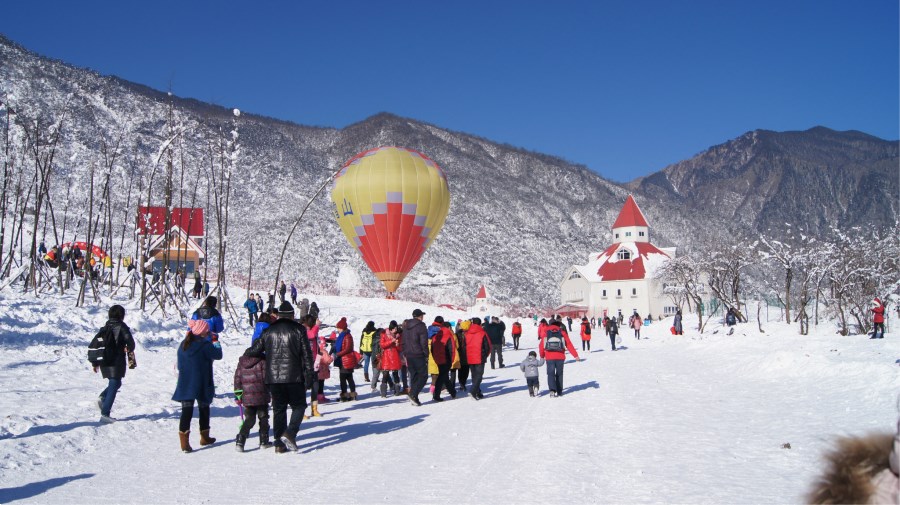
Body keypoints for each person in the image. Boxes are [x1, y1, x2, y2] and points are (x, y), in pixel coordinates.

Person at [244, 301, 315, 454]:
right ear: (292, 315)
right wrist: (309, 374)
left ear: (278, 316)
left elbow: (255, 349)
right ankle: (290, 433)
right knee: (299, 406)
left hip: (273, 377)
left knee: (279, 409)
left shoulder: (269, 331)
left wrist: (247, 354)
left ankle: (278, 444)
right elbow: (307, 355)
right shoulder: (299, 329)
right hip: (294, 376)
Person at [173, 319, 223, 453]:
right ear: (202, 332)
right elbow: (218, 355)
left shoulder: (184, 344)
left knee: (186, 412)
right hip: (201, 381)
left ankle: (184, 443)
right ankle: (204, 437)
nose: (208, 332)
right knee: (204, 408)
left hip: (185, 382)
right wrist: (215, 341)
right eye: (207, 330)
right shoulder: (205, 345)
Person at [93, 305, 136, 424]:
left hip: (104, 360)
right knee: (115, 382)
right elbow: (131, 342)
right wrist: (128, 348)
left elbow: (98, 345)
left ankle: (102, 398)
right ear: (121, 315)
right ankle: (105, 414)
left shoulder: (105, 327)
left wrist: (95, 363)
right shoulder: (122, 326)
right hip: (116, 359)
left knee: (116, 382)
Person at [234, 349, 272, 452]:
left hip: (247, 396)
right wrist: (271, 391)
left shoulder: (241, 363)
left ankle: (240, 441)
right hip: (261, 394)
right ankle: (264, 441)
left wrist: (238, 395)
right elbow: (266, 378)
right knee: (263, 417)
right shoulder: (262, 361)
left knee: (249, 419)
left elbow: (237, 379)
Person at [539, 319, 580, 397]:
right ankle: (559, 390)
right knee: (559, 374)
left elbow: (541, 346)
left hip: (549, 356)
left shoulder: (546, 332)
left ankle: (552, 390)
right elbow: (569, 344)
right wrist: (575, 355)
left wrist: (542, 356)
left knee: (550, 373)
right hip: (560, 356)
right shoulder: (562, 332)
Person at [301, 314, 327, 417]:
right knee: (303, 387)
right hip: (305, 363)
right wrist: (316, 326)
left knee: (315, 386)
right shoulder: (303, 329)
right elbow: (310, 335)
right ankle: (301, 411)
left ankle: (314, 409)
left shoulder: (313, 330)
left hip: (314, 362)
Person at [402, 309, 429, 406]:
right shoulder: (421, 326)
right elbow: (424, 342)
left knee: (414, 375)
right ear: (420, 316)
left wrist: (405, 352)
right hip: (418, 354)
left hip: (409, 354)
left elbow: (403, 340)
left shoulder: (406, 325)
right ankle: (413, 394)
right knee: (423, 376)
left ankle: (414, 397)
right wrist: (426, 354)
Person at [429, 316, 456, 402]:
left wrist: (434, 356)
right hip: (446, 356)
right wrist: (452, 358)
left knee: (444, 375)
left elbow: (432, 346)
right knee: (442, 376)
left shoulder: (432, 330)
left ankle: (453, 392)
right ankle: (436, 395)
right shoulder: (446, 331)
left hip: (437, 357)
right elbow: (451, 346)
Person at [464, 317, 491, 400]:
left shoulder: (467, 333)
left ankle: (478, 392)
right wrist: (485, 355)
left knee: (474, 375)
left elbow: (464, 346)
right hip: (479, 356)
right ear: (480, 324)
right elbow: (488, 346)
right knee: (479, 375)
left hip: (470, 356)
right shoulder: (482, 333)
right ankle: (473, 391)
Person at [333, 317, 359, 401]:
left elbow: (348, 348)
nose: (338, 330)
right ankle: (350, 394)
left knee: (345, 378)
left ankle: (347, 395)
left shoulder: (347, 336)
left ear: (342, 328)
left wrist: (338, 354)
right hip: (343, 360)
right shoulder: (342, 336)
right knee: (347, 378)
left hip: (346, 360)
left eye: (339, 328)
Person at [378, 326, 403, 397]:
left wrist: (397, 345)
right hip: (386, 356)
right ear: (391, 329)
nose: (396, 330)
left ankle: (397, 391)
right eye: (394, 329)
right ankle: (383, 392)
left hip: (395, 356)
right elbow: (382, 345)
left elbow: (400, 348)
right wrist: (391, 341)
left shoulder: (398, 336)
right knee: (385, 374)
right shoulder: (384, 335)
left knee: (395, 374)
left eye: (396, 329)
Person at [455, 319, 470, 391]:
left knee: (461, 370)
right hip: (466, 354)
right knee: (464, 370)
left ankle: (462, 383)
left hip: (461, 354)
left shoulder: (457, 334)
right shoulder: (469, 334)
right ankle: (462, 383)